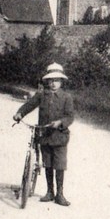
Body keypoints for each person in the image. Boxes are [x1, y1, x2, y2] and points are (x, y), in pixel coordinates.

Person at [13, 65, 75, 206]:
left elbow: (70, 116)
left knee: (59, 165)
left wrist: (60, 122)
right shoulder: (42, 95)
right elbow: (29, 105)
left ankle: (60, 194)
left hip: (60, 136)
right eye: (51, 80)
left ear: (61, 81)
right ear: (47, 81)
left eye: (57, 80)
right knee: (47, 163)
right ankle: (49, 192)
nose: (53, 83)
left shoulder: (66, 97)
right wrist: (20, 113)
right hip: (45, 135)